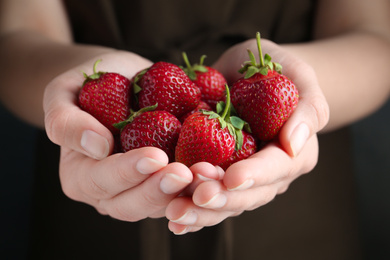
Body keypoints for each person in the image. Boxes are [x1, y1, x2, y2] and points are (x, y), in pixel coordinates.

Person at [0, 0, 389, 259]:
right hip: (93, 203)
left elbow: (377, 40)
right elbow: (14, 37)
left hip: (297, 222)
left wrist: (296, 94)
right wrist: (75, 91)